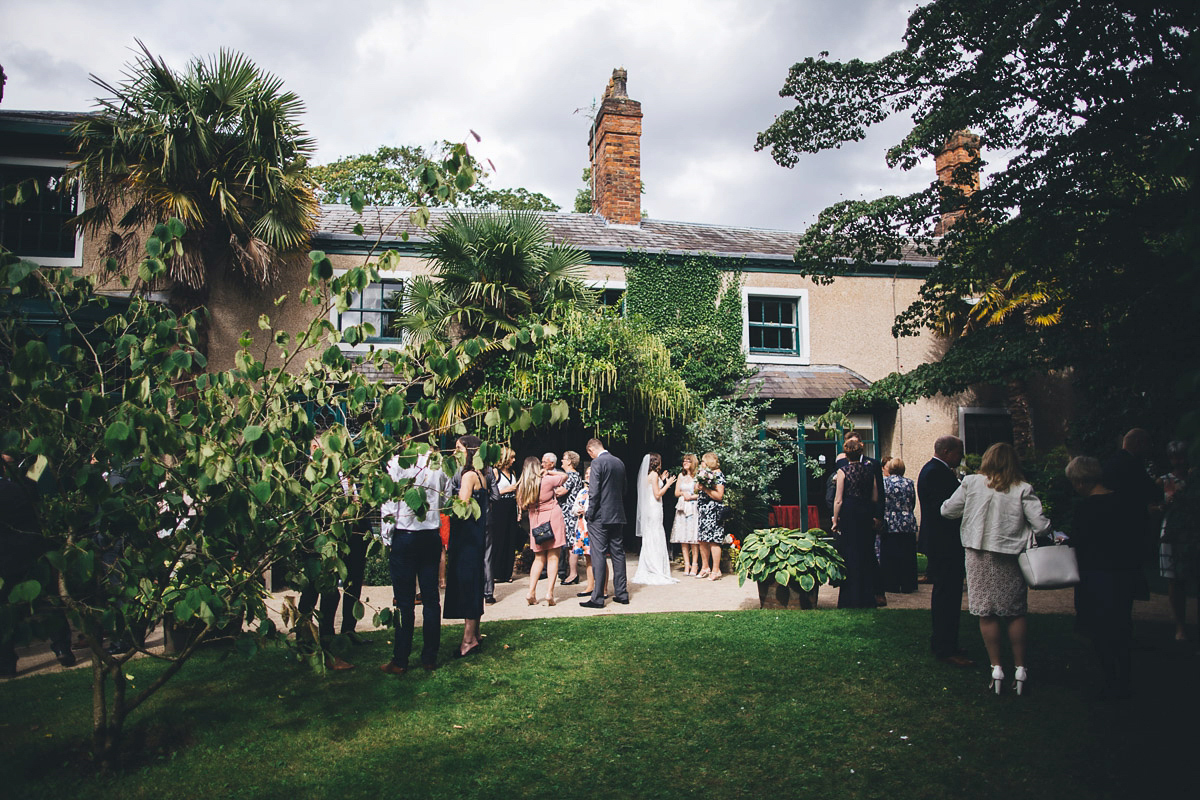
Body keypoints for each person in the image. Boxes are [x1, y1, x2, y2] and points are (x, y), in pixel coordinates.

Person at [941, 442, 1051, 695]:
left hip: (978, 553)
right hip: (1009, 554)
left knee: (986, 611)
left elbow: (948, 511)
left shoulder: (971, 483)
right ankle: (1020, 669)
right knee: (1014, 611)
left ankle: (996, 667)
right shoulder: (1023, 488)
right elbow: (1041, 526)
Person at [1066, 456, 1142, 699]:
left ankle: (1111, 681)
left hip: (1096, 575)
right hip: (1123, 572)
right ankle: (1126, 678)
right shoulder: (1125, 502)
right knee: (1121, 626)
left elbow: (1078, 541)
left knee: (1100, 631)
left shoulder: (1086, 508)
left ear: (1079, 481)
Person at [380, 446, 452, 676]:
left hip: (406, 534)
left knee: (405, 601)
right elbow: (447, 497)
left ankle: (401, 659)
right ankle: (429, 657)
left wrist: (387, 535)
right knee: (431, 599)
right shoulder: (439, 463)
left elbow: (389, 501)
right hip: (429, 534)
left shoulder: (397, 463)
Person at [918, 435, 974, 667]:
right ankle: (945, 646)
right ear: (947, 451)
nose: (961, 457)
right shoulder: (936, 473)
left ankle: (944, 641)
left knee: (947, 594)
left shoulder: (932, 470)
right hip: (944, 543)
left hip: (941, 542)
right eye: (959, 452)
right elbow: (946, 510)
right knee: (947, 595)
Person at [444, 435, 488, 658]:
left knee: (468, 584)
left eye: (459, 448)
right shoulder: (482, 474)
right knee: (474, 582)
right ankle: (476, 634)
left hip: (466, 538)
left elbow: (461, 507)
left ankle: (468, 639)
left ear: (470, 451)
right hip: (476, 537)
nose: (455, 453)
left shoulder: (469, 475)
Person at [1102, 428, 1159, 598]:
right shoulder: (1133, 464)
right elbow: (1149, 491)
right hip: (1130, 524)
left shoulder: (1111, 462)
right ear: (1138, 443)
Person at [832, 437, 880, 608]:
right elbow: (875, 497)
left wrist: (835, 520)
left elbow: (838, 500)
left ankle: (849, 598)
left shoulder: (843, 471)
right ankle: (867, 597)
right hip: (865, 511)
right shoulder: (870, 471)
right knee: (866, 553)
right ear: (861, 452)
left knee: (850, 554)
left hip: (850, 512)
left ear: (846, 454)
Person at [581, 438, 629, 608]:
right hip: (617, 514)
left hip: (600, 516)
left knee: (598, 554)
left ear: (590, 451)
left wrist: (590, 513)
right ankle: (622, 593)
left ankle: (598, 597)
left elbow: (594, 492)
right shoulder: (619, 462)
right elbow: (624, 489)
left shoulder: (597, 464)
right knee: (618, 553)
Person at [1159, 441, 1198, 642]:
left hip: (1192, 529)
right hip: (1173, 529)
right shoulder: (1164, 481)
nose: (1179, 461)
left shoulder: (1194, 479)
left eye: (1181, 456)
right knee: (1174, 578)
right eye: (1175, 457)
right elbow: (1156, 508)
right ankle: (1180, 626)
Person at [518, 455, 568, 605]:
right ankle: (549, 593)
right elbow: (565, 476)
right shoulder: (546, 480)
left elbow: (522, 505)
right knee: (553, 557)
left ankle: (531, 591)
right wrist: (549, 472)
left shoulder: (523, 485)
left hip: (536, 521)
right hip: (553, 518)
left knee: (538, 558)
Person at [633, 453, 679, 585]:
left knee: (652, 535)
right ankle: (656, 566)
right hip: (654, 508)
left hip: (652, 507)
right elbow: (657, 494)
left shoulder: (651, 475)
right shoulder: (653, 475)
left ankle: (651, 564)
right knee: (655, 534)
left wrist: (662, 480)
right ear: (656, 462)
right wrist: (668, 483)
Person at [880, 457, 919, 593]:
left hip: (890, 520)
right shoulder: (909, 483)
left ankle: (891, 584)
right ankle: (908, 583)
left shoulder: (885, 483)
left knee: (890, 555)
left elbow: (881, 501)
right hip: (907, 520)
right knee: (907, 554)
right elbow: (912, 501)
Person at [485, 446, 520, 595]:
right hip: (499, 507)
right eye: (511, 458)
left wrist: (519, 510)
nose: (513, 461)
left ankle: (507, 572)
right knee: (498, 538)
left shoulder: (512, 472)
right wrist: (507, 489)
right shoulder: (495, 472)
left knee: (510, 538)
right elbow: (490, 492)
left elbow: (517, 493)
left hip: (511, 506)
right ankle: (497, 572)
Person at [695, 452, 727, 581]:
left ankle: (716, 569)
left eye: (703, 461)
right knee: (702, 539)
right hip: (703, 510)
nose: (701, 463)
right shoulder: (705, 474)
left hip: (713, 511)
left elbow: (719, 496)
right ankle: (705, 567)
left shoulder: (718, 475)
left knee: (714, 540)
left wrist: (705, 489)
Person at [671, 454, 701, 576]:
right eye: (684, 460)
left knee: (693, 537)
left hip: (693, 507)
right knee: (683, 537)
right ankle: (686, 565)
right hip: (682, 507)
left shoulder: (698, 476)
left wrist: (692, 496)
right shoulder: (681, 476)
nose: (685, 462)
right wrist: (683, 493)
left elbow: (701, 493)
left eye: (688, 461)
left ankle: (695, 564)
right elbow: (676, 492)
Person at [559, 450, 586, 586]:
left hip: (569, 513)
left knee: (571, 544)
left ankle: (573, 574)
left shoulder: (570, 476)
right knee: (569, 544)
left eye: (564, 458)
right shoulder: (575, 475)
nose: (562, 461)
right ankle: (572, 573)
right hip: (568, 513)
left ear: (570, 461)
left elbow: (561, 491)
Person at [572, 466, 595, 597]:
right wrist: (578, 510)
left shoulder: (598, 491)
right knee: (588, 558)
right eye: (586, 473)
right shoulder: (581, 492)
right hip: (582, 527)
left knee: (598, 558)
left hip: (593, 527)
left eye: (590, 473)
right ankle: (590, 586)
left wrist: (586, 510)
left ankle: (603, 588)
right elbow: (574, 508)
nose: (587, 475)